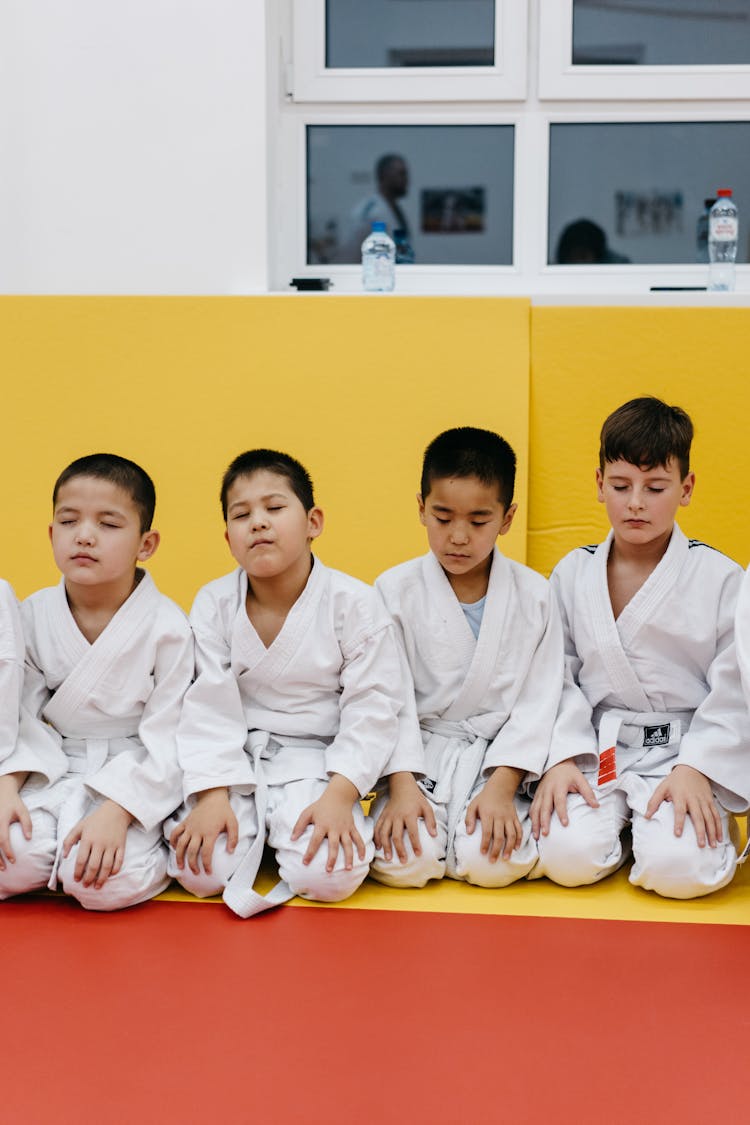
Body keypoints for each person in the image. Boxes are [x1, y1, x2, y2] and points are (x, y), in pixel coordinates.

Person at [166, 449, 422, 917]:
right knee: (199, 873)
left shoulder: (355, 604)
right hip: (238, 763)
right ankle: (253, 826)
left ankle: (280, 831)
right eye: (241, 515)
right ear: (228, 538)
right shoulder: (214, 603)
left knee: (329, 876)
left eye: (274, 508)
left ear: (313, 521)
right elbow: (206, 707)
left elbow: (373, 709)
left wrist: (340, 797)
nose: (258, 523)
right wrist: (212, 795)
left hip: (319, 766)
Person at [532, 397, 750, 899]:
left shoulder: (719, 578)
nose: (635, 503)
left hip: (684, 750)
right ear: (598, 484)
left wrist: (698, 767)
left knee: (680, 870)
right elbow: (553, 675)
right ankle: (625, 823)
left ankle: (675, 821)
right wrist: (562, 756)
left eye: (655, 488)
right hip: (598, 747)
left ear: (686, 489)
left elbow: (735, 688)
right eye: (620, 486)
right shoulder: (572, 573)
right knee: (566, 857)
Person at [370, 426, 567, 889]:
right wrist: (400, 786)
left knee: (492, 864)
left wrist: (502, 785)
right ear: (421, 508)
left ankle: (486, 818)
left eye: (478, 522)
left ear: (507, 517)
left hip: (496, 760)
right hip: (419, 761)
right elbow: (386, 698)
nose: (458, 536)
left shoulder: (535, 595)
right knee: (404, 865)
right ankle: (427, 823)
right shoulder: (392, 592)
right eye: (442, 517)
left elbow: (540, 700)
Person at [0, 454, 193, 910]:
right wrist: (8, 787)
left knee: (100, 885)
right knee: (13, 860)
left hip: (135, 770)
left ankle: (155, 849)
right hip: (55, 767)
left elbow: (171, 736)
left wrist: (118, 810)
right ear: (52, 534)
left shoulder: (169, 626)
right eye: (69, 521)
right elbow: (19, 717)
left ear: (146, 544)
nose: (84, 535)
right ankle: (56, 850)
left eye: (108, 524)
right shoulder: (32, 614)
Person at [339, 153, 415, 263]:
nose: (407, 180)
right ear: (384, 175)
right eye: (402, 174)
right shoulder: (369, 212)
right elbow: (350, 255)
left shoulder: (395, 209)